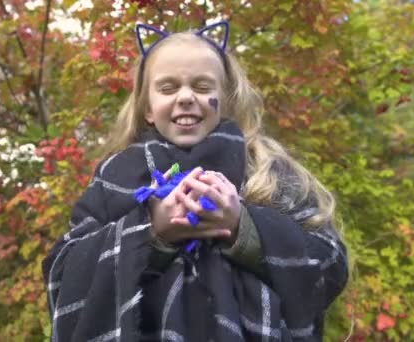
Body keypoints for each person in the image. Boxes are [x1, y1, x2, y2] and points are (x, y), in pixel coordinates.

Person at [43, 21, 348, 342]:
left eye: (202, 87)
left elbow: (330, 263)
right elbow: (62, 273)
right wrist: (151, 231)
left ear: (226, 99)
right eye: (168, 87)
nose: (186, 97)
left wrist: (243, 228)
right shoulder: (117, 175)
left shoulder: (266, 171)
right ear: (148, 107)